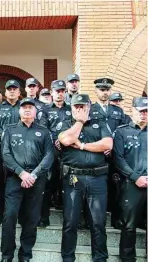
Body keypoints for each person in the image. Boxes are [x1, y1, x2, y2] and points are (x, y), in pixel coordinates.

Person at [58, 94, 113, 262]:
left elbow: (107, 145)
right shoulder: (66, 125)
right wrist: (80, 122)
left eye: (83, 106)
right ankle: (68, 258)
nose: (80, 109)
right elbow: (66, 140)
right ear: (71, 108)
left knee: (98, 223)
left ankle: (100, 258)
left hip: (97, 180)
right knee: (70, 222)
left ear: (90, 106)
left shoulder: (100, 124)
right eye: (76, 106)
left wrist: (82, 145)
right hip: (73, 179)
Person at [0, 97, 54, 262]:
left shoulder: (44, 131)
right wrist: (21, 173)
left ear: (35, 111)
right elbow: (6, 154)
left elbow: (49, 155)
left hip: (37, 180)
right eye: (24, 107)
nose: (27, 110)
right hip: (15, 179)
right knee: (9, 216)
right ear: (19, 111)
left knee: (32, 218)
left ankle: (25, 254)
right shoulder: (9, 130)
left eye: (30, 107)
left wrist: (34, 174)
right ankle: (7, 255)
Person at [90, 77, 129, 229]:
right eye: (102, 90)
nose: (105, 93)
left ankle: (115, 219)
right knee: (95, 187)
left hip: (114, 156)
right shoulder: (91, 110)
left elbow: (123, 132)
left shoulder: (118, 111)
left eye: (107, 90)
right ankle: (93, 220)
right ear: (96, 91)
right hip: (96, 155)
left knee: (115, 187)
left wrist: (112, 147)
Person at [114, 97, 147, 262]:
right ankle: (127, 258)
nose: (144, 114)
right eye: (140, 111)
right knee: (129, 225)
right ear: (132, 111)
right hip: (131, 184)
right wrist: (136, 177)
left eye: (146, 111)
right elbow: (118, 159)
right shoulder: (122, 132)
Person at [38, 80, 72, 226]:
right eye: (57, 91)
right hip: (51, 150)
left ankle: (68, 217)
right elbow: (43, 129)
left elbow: (76, 127)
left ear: (65, 92)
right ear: (51, 92)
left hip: (69, 150)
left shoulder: (71, 109)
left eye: (62, 91)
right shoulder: (45, 110)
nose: (59, 93)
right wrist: (56, 139)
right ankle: (43, 217)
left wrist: (66, 140)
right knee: (47, 182)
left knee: (67, 183)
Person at [0, 79, 21, 225]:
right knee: (1, 181)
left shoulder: (24, 107)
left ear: (19, 92)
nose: (12, 91)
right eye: (9, 89)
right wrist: (6, 136)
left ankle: (20, 214)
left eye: (15, 89)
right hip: (2, 149)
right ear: (5, 92)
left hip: (21, 150)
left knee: (19, 180)